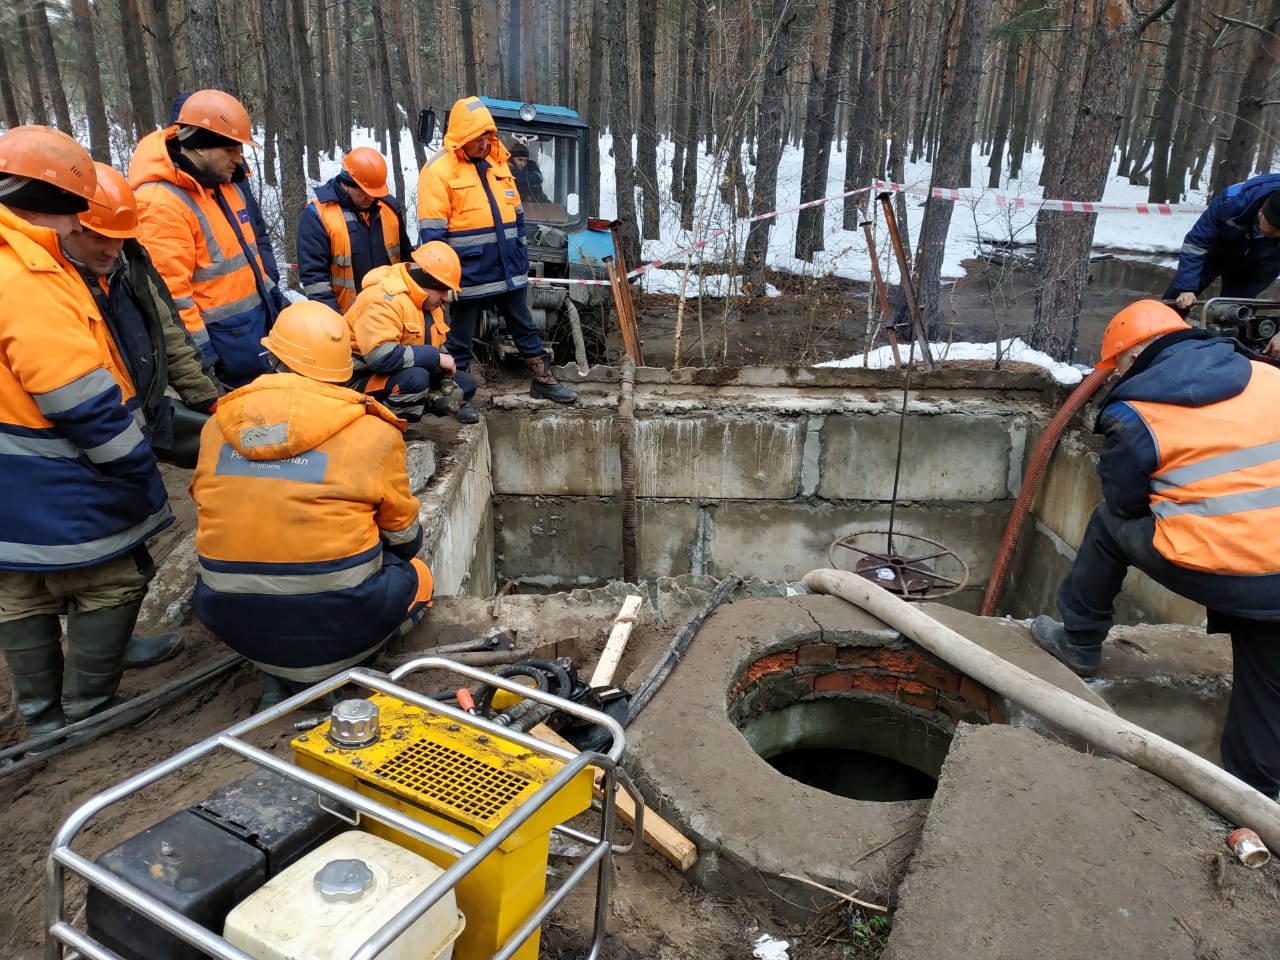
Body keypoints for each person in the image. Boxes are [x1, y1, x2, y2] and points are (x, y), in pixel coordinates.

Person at [1031, 299, 1280, 800]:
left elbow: (1126, 502)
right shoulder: (1266, 378)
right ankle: (1257, 797)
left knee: (1108, 522)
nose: (1115, 376)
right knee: (1267, 667)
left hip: (1222, 563)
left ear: (1129, 359)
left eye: (1116, 367)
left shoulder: (1136, 411)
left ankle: (1079, 640)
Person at [0, 127, 173, 736]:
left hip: (10, 479)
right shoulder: (28, 275)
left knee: (20, 587)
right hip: (55, 470)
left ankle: (43, 718)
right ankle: (87, 711)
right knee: (109, 579)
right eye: (75, 215)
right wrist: (134, 462)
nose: (79, 229)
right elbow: (77, 395)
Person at [189, 301, 433, 707]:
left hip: (229, 616)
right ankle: (336, 670)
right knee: (417, 574)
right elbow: (405, 539)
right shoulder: (372, 431)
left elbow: (205, 506)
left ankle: (275, 673)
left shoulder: (217, 427)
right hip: (338, 622)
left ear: (272, 359)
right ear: (341, 369)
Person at [61, 162, 227, 670]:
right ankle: (92, 659)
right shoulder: (46, 282)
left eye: (120, 238)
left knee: (225, 446)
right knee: (89, 547)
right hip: (78, 430)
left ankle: (106, 645)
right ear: (69, 226)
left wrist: (210, 400)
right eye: (99, 239)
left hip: (142, 410)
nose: (111, 250)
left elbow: (168, 333)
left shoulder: (130, 259)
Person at [417, 96, 576, 414]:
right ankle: (460, 396)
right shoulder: (437, 172)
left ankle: (542, 380)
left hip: (508, 267)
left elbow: (515, 213)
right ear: (462, 136)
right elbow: (432, 236)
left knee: (525, 326)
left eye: (488, 135)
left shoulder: (497, 162)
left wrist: (519, 248)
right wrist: (441, 279)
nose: (484, 142)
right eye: (478, 137)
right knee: (460, 339)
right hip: (467, 272)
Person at [128, 88, 282, 388]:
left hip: (256, 342)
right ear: (198, 145)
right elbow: (172, 302)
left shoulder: (226, 185)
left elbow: (251, 259)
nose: (240, 158)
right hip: (222, 360)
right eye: (230, 149)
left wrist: (276, 303)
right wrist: (204, 368)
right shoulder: (160, 204)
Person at [344, 240, 479, 425]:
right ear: (425, 282)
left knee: (465, 384)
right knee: (416, 380)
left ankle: (421, 402)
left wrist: (444, 374)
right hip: (357, 380)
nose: (446, 298)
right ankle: (388, 425)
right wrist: (436, 358)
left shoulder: (430, 304)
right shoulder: (383, 299)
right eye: (443, 290)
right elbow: (381, 358)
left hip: (399, 371)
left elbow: (436, 346)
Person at [298, 147, 413, 313]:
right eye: (364, 192)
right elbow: (315, 279)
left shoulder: (389, 208)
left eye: (374, 192)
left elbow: (405, 258)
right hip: (346, 316)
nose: (370, 197)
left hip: (392, 313)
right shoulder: (318, 215)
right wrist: (335, 321)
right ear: (346, 184)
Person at [1165, 174, 1280, 325]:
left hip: (1259, 265)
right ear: (1261, 213)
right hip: (1217, 250)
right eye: (1273, 230)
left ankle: (1222, 342)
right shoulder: (1231, 201)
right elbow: (1196, 243)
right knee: (1174, 303)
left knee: (1231, 315)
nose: (1278, 235)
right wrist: (1186, 287)